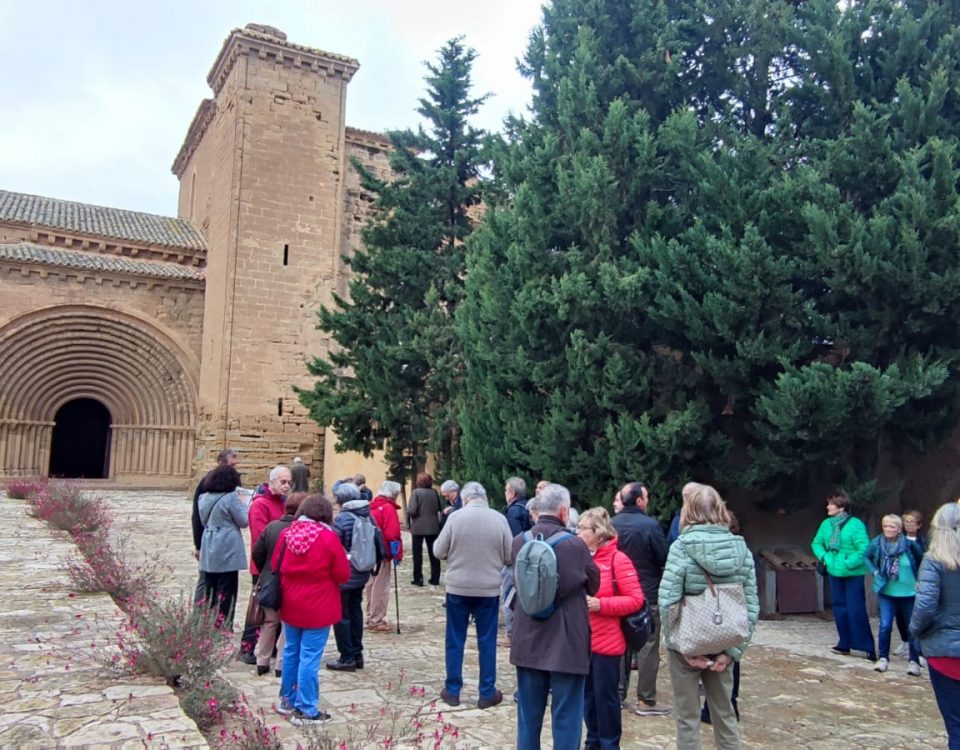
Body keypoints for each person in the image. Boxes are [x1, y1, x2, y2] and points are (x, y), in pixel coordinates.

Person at [659, 484, 759, 750]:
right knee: (724, 715)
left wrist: (675, 643)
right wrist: (734, 651)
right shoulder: (742, 549)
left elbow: (667, 601)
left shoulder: (680, 548)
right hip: (724, 642)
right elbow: (751, 605)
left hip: (688, 639)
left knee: (687, 718)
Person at [510, 483, 600, 750]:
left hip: (527, 640)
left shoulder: (520, 542)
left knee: (528, 718)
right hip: (566, 642)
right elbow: (593, 585)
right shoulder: (575, 545)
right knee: (567, 718)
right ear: (564, 511)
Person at [434, 481, 512, 709]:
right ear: (485, 497)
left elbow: (438, 550)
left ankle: (452, 690)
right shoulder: (499, 519)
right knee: (487, 640)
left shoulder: (455, 518)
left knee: (455, 639)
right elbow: (509, 556)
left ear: (465, 498)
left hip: (458, 588)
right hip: (488, 589)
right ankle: (486, 692)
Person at [274, 494, 350, 725]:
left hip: (291, 601)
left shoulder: (287, 534)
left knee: (291, 651)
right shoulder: (328, 537)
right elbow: (342, 574)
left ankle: (288, 700)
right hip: (318, 605)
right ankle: (306, 709)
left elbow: (275, 563)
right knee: (309, 657)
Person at [577, 507, 645, 750]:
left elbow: (636, 599)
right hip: (583, 642)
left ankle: (609, 744)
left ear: (598, 532)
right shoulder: (581, 558)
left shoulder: (618, 559)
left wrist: (601, 605)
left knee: (605, 699)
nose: (577, 532)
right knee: (587, 699)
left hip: (608, 643)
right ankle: (592, 742)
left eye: (582, 528)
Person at [611, 481, 670, 716]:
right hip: (646, 594)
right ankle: (645, 699)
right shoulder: (650, 526)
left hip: (617, 595)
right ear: (639, 501)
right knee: (648, 645)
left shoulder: (611, 524)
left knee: (619, 645)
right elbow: (663, 556)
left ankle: (617, 695)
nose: (648, 501)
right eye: (646, 497)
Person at [909, 502, 960, 750]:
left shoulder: (934, 561)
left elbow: (925, 605)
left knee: (957, 727)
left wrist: (915, 632)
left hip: (945, 654)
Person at [811, 491, 876, 661]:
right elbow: (816, 543)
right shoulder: (826, 524)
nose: (827, 507)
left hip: (852, 572)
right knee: (839, 608)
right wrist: (824, 557)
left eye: (831, 504)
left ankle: (866, 646)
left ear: (841, 507)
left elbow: (864, 548)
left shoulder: (856, 525)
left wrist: (848, 563)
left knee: (856, 609)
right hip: (833, 570)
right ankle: (844, 642)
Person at [239, 466, 293, 663]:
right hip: (265, 566)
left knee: (276, 608)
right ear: (271, 482)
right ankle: (248, 647)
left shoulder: (282, 503)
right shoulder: (260, 505)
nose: (287, 486)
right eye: (283, 482)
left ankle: (269, 648)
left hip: (280, 566)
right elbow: (260, 538)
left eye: (289, 482)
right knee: (259, 607)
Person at [251, 492, 306, 677]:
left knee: (269, 622)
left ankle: (262, 660)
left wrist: (266, 571)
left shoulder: (271, 527)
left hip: (269, 580)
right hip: (290, 582)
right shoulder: (301, 531)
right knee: (286, 623)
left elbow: (257, 553)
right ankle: (281, 663)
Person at [865, 514, 924, 675]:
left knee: (911, 627)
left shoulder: (909, 546)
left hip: (908, 592)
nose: (888, 529)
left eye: (892, 526)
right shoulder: (877, 543)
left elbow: (921, 560)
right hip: (887, 591)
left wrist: (920, 579)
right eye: (885, 526)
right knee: (885, 625)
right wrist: (874, 571)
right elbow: (866, 557)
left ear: (899, 529)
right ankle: (883, 658)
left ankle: (914, 661)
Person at [328, 482, 374, 671]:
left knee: (341, 615)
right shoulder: (367, 514)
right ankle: (357, 653)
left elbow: (334, 547)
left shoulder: (342, 519)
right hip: (362, 570)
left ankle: (346, 657)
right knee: (356, 611)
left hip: (345, 573)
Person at [197, 463, 250, 628]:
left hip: (209, 540)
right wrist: (245, 504)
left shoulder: (203, 497)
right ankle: (224, 624)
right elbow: (243, 521)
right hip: (227, 543)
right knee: (227, 587)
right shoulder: (231, 498)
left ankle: (206, 622)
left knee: (209, 585)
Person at [192, 448, 238, 603]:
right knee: (206, 579)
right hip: (210, 539)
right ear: (220, 463)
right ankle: (199, 618)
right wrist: (198, 544)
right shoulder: (207, 483)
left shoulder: (232, 483)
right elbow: (197, 516)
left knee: (222, 582)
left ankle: (216, 620)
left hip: (225, 543)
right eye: (231, 465)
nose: (234, 469)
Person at [366, 480, 404, 632]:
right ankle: (377, 618)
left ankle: (370, 614)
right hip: (384, 552)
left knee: (371, 583)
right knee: (381, 586)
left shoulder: (371, 506)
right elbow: (392, 533)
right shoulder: (388, 509)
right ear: (394, 494)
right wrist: (397, 553)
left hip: (371, 551)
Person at [502, 476, 532, 641]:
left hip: (515, 562)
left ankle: (512, 633)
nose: (505, 493)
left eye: (506, 490)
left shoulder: (514, 511)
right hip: (528, 559)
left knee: (509, 597)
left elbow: (514, 539)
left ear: (512, 493)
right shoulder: (528, 507)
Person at [407, 473, 443, 586]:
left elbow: (412, 510)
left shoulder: (416, 493)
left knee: (417, 554)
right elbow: (438, 507)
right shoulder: (434, 492)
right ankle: (435, 577)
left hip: (418, 526)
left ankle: (418, 578)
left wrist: (410, 515)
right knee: (434, 553)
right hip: (433, 526)